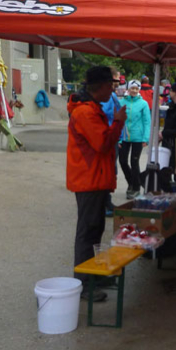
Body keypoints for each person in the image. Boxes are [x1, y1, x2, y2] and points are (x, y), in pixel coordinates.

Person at [67, 66, 127, 302]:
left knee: (94, 229)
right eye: (110, 86)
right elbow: (102, 144)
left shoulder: (91, 108)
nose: (112, 90)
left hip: (94, 180)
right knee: (87, 232)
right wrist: (118, 122)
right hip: (88, 180)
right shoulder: (85, 112)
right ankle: (83, 283)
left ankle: (91, 276)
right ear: (100, 87)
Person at [119, 80, 151, 199]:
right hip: (124, 136)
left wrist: (146, 138)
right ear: (128, 89)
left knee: (134, 162)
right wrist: (118, 138)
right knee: (122, 161)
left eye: (136, 89)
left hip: (138, 137)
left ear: (139, 90)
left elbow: (147, 122)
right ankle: (131, 183)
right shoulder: (122, 102)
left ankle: (136, 188)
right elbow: (118, 120)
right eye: (132, 88)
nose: (134, 90)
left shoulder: (143, 104)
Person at [100, 70, 122, 217]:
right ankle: (104, 202)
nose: (118, 82)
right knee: (106, 170)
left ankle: (106, 201)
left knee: (111, 170)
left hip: (112, 137)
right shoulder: (105, 97)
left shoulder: (112, 95)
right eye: (116, 79)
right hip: (106, 137)